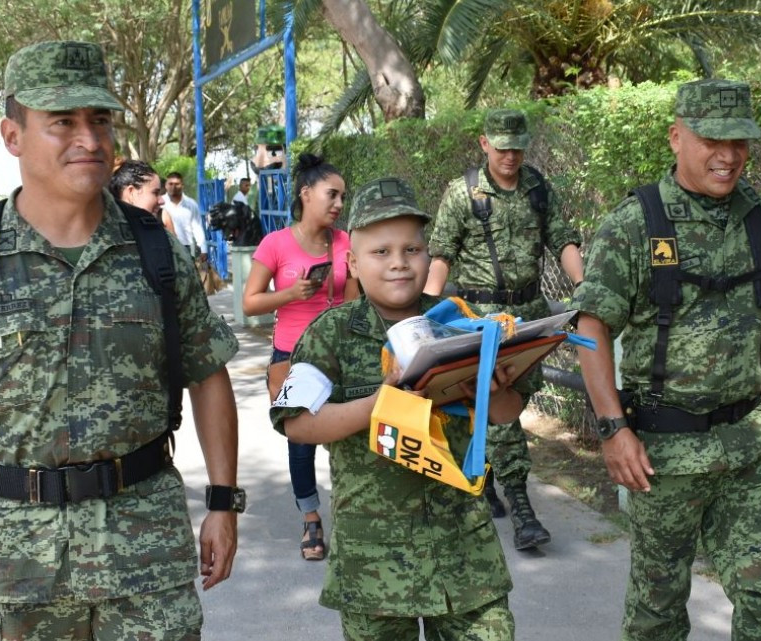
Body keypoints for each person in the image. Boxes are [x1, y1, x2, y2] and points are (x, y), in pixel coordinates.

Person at [0, 40, 242, 639]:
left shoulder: (155, 251)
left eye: (99, 120)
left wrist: (223, 503)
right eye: (62, 122)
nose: (89, 140)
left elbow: (208, 374)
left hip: (145, 553)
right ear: (12, 136)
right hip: (18, 564)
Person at [571, 79, 761, 640]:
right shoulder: (636, 223)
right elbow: (589, 326)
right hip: (662, 455)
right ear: (677, 137)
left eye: (740, 142)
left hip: (750, 447)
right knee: (659, 613)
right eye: (711, 140)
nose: (727, 156)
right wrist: (612, 430)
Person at [271, 176, 525, 640]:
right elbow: (298, 425)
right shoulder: (331, 334)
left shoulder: (460, 324)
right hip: (374, 565)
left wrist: (491, 384)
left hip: (464, 555)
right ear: (352, 262)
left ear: (428, 255)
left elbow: (506, 412)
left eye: (412, 250)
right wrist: (380, 402)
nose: (399, 264)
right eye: (381, 252)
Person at [425, 108, 585, 550]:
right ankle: (523, 510)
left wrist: (583, 287)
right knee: (500, 400)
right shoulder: (462, 193)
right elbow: (441, 254)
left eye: (517, 147)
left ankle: (490, 472)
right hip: (481, 322)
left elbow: (562, 238)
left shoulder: (536, 188)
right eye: (501, 147)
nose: (510, 156)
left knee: (514, 399)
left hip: (529, 316)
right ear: (484, 144)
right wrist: (423, 313)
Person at [242, 153, 357, 561]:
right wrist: (290, 294)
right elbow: (250, 302)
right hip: (292, 355)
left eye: (343, 196)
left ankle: (352, 512)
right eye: (332, 194)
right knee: (302, 440)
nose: (339, 204)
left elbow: (354, 304)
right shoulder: (276, 243)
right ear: (306, 194)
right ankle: (310, 516)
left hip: (339, 353)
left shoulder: (346, 243)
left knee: (349, 434)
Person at [109, 159, 175, 232]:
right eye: (155, 193)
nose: (162, 201)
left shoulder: (159, 232)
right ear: (131, 193)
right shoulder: (108, 233)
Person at [161, 171, 206, 259]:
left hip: (186, 248)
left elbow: (197, 227)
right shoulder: (160, 203)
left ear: (182, 185)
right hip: (164, 247)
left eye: (177, 184)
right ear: (166, 185)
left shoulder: (191, 204)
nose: (173, 187)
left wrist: (204, 249)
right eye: (170, 184)